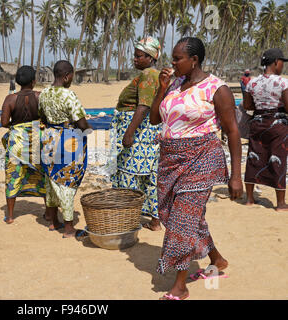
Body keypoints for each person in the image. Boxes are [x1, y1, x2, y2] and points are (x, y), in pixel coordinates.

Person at [149, 37, 243, 300]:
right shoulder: (174, 85)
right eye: (173, 58)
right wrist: (162, 89)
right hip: (170, 160)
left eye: (178, 59)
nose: (173, 63)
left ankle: (180, 284)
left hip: (202, 157)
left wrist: (236, 176)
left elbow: (233, 132)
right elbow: (155, 118)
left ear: (195, 60)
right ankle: (217, 259)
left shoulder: (217, 89)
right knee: (190, 216)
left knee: (182, 219)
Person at [109, 37, 162, 232]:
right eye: (135, 55)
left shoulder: (148, 75)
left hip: (138, 134)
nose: (135, 59)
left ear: (150, 57)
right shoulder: (153, 75)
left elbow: (143, 107)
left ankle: (129, 220)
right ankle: (154, 220)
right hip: (147, 134)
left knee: (129, 175)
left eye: (139, 56)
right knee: (149, 177)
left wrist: (129, 133)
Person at [39, 60, 92, 238]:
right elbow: (81, 122)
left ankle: (54, 221)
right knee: (67, 181)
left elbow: (42, 117)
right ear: (67, 76)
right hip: (67, 140)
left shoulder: (44, 93)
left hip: (48, 138)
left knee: (51, 179)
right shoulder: (69, 95)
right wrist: (88, 131)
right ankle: (69, 228)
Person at [1, 66, 51, 225]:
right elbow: (48, 118)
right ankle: (48, 214)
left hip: (17, 142)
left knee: (13, 175)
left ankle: (9, 216)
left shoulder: (10, 99)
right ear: (33, 81)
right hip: (38, 139)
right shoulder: (40, 97)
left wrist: (17, 126)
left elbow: (3, 123)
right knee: (43, 174)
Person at [243, 48, 288, 211]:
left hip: (257, 123)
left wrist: (261, 107)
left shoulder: (252, 83)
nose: (283, 65)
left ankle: (249, 199)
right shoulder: (283, 82)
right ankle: (281, 204)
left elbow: (247, 105)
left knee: (254, 158)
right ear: (276, 62)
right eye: (282, 62)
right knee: (278, 159)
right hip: (277, 125)